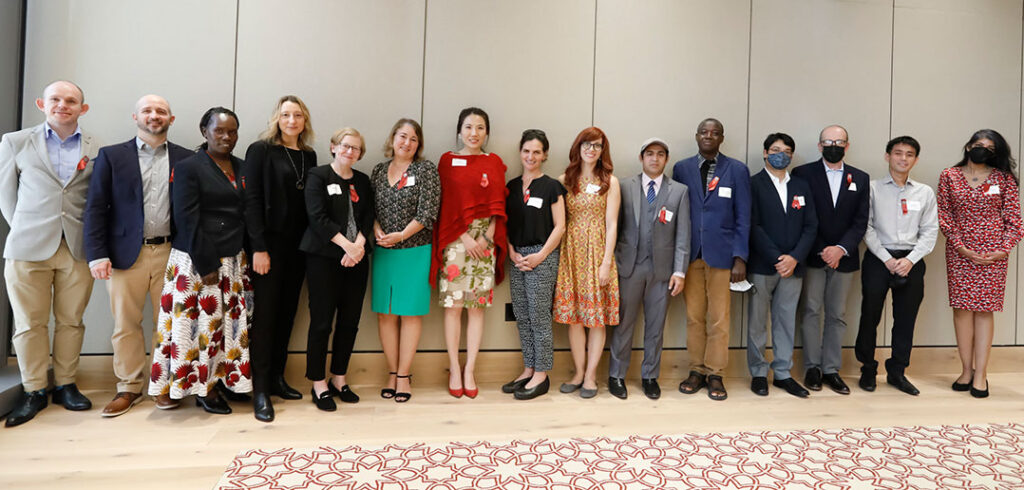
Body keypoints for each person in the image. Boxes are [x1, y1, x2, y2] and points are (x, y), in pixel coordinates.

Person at [83, 94, 194, 417]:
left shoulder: (187, 159)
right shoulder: (112, 156)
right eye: (147, 110)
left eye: (161, 111)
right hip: (122, 255)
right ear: (136, 117)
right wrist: (97, 254)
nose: (154, 115)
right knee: (126, 325)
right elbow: (95, 209)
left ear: (171, 119)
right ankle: (128, 387)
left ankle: (165, 386)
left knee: (172, 325)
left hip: (172, 254)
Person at [1, 81, 99, 428]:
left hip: (76, 248)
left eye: (71, 100)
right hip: (28, 248)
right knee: (29, 323)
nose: (63, 105)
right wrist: (25, 229)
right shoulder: (16, 142)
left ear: (82, 109)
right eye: (56, 99)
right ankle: (34, 390)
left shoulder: (95, 147)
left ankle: (66, 384)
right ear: (42, 103)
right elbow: (6, 197)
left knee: (72, 319)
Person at [148, 107, 252, 415]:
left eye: (232, 131)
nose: (226, 137)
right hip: (197, 259)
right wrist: (206, 264)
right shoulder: (189, 167)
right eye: (219, 130)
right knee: (197, 328)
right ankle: (201, 388)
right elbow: (186, 217)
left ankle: (222, 380)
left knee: (225, 328)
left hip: (233, 259)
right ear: (204, 131)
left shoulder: (242, 167)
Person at [243, 95, 317, 421]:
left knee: (288, 314)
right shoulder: (260, 150)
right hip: (267, 248)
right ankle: (259, 389)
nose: (292, 121)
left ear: (305, 120)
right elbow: (252, 200)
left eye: (297, 115)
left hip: (298, 249)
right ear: (277, 118)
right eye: (286, 115)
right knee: (265, 318)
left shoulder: (310, 156)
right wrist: (258, 247)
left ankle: (276, 377)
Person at [937, 129, 1023, 398]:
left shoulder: (1004, 179)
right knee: (962, 310)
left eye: (988, 147)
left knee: (984, 311)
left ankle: (982, 374)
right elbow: (944, 215)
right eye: (978, 145)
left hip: (993, 255)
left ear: (995, 153)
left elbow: (1015, 221)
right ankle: (965, 370)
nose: (981, 150)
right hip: (960, 251)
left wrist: (1002, 249)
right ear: (968, 146)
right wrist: (960, 246)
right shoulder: (948, 176)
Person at [670, 118, 750, 401]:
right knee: (693, 318)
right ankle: (697, 370)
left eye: (714, 133)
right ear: (696, 136)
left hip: (722, 255)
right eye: (704, 132)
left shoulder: (737, 170)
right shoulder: (681, 168)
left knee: (719, 318)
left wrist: (740, 257)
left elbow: (743, 216)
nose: (708, 136)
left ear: (722, 138)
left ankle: (715, 373)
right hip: (690, 254)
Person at [431, 107, 508, 399]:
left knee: (477, 308)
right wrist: (464, 236)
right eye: (468, 127)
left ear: (487, 132)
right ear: (459, 131)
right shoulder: (448, 161)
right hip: (454, 238)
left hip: (485, 243)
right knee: (453, 306)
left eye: (479, 127)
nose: (473, 133)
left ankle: (470, 369)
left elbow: (499, 204)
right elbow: (445, 204)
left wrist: (487, 236)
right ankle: (453, 367)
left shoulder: (495, 162)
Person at [855, 136, 938, 396]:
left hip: (911, 261)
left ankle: (897, 370)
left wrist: (909, 260)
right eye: (898, 153)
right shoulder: (872, 188)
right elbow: (865, 226)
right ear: (887, 156)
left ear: (916, 159)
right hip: (879, 259)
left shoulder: (924, 192)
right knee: (870, 315)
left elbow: (930, 231)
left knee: (906, 319)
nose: (903, 158)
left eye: (909, 154)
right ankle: (868, 368)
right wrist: (887, 258)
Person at [607, 137, 689, 401]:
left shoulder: (679, 191)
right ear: (642, 158)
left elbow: (682, 235)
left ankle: (650, 376)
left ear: (666, 159)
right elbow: (613, 226)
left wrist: (680, 271)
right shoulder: (624, 185)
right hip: (628, 267)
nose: (655, 158)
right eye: (650, 154)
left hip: (662, 271)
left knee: (656, 326)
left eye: (661, 154)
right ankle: (616, 375)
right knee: (623, 324)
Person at [791, 124, 869, 395]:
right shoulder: (802, 174)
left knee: (837, 315)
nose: (833, 146)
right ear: (819, 145)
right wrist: (824, 249)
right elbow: (800, 216)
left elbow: (861, 222)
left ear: (847, 146)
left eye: (839, 141)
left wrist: (840, 249)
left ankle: (831, 369)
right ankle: (812, 367)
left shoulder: (860, 177)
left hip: (844, 258)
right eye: (828, 141)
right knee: (811, 311)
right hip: (813, 255)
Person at [300, 128, 374, 412]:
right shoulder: (318, 177)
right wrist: (347, 246)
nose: (350, 152)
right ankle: (318, 383)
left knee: (350, 321)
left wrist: (358, 247)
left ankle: (339, 378)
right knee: (321, 322)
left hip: (357, 260)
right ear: (333, 147)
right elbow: (317, 217)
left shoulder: (363, 181)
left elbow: (368, 216)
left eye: (355, 148)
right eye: (345, 146)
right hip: (324, 258)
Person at [371, 118, 440, 403]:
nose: (407, 143)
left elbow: (428, 213)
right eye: (402, 136)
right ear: (393, 138)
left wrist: (401, 236)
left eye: (413, 139)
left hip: (415, 249)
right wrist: (377, 229)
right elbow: (369, 207)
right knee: (385, 313)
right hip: (383, 251)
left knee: (410, 313)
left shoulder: (425, 170)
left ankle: (404, 375)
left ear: (418, 145)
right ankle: (391, 371)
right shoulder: (377, 170)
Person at [746, 133, 817, 399]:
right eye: (776, 149)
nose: (781, 154)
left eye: (787, 150)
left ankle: (783, 373)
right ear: (765, 153)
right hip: (763, 265)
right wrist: (778, 258)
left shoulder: (801, 185)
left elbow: (811, 225)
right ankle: (758, 373)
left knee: (785, 321)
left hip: (794, 265)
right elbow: (753, 225)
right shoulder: (753, 183)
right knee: (756, 323)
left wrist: (795, 257)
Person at [553, 126, 621, 399]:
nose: (591, 150)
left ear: (603, 150)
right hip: (571, 255)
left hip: (597, 254)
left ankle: (592, 375)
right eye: (587, 144)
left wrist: (606, 262)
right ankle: (578, 372)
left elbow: (612, 223)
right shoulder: (565, 180)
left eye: (597, 145)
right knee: (575, 319)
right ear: (578, 147)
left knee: (596, 319)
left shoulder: (610, 182)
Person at [503, 129, 565, 400]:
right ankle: (528, 368)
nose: (531, 156)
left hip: (543, 256)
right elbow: (505, 223)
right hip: (517, 257)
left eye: (537, 152)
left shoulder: (552, 186)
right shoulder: (511, 186)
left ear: (545, 155)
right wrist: (511, 251)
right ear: (520, 152)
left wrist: (540, 256)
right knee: (523, 315)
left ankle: (542, 373)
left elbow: (561, 226)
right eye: (527, 151)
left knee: (539, 316)